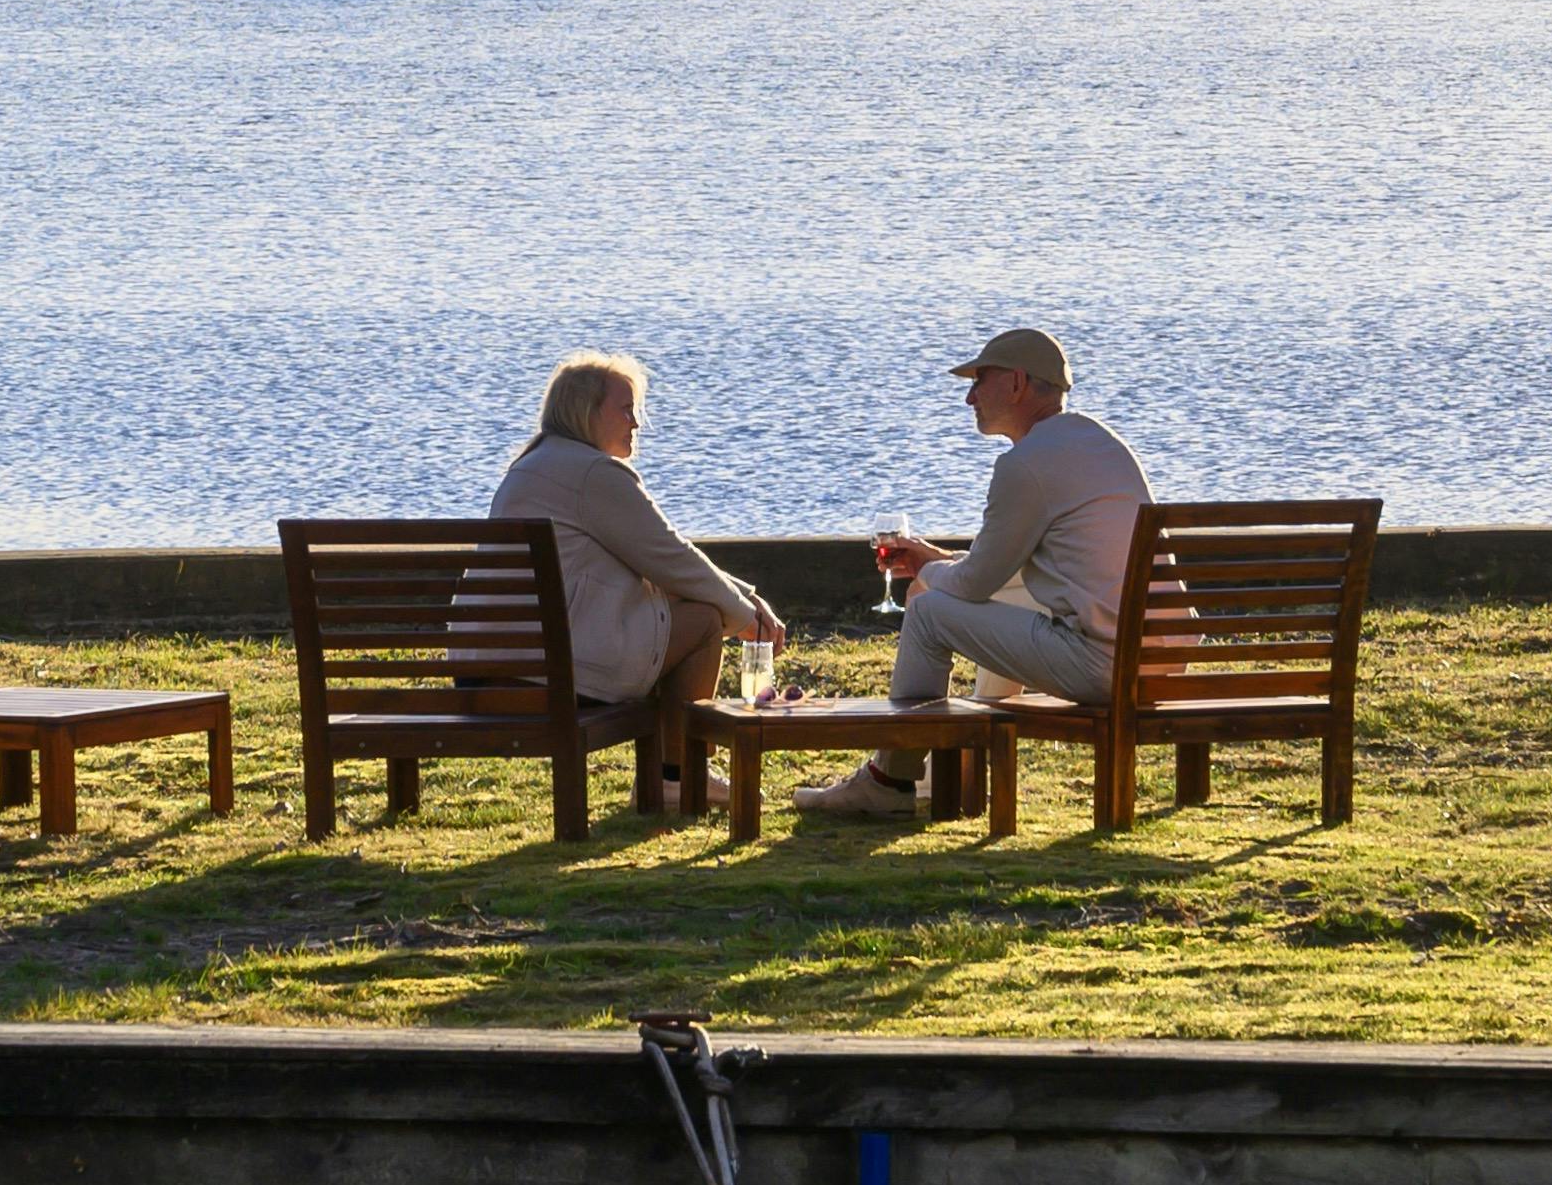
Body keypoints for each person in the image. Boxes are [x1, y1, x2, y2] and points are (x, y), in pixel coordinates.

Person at [798, 324, 1144, 820]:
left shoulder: (1025, 465)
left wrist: (924, 575)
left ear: (1017, 383)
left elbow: (975, 582)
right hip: (1155, 660)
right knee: (997, 597)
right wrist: (936, 560)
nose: (968, 397)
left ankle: (890, 779)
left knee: (929, 613)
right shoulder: (1100, 444)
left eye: (979, 380)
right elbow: (997, 573)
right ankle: (949, 772)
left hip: (1103, 667)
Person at [490, 352, 787, 711]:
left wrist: (746, 599)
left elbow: (658, 559)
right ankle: (682, 767)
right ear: (587, 413)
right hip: (548, 676)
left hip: (484, 669)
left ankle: (674, 764)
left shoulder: (529, 467)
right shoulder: (593, 474)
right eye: (625, 410)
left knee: (660, 623)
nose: (636, 424)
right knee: (703, 622)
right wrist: (745, 615)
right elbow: (670, 558)